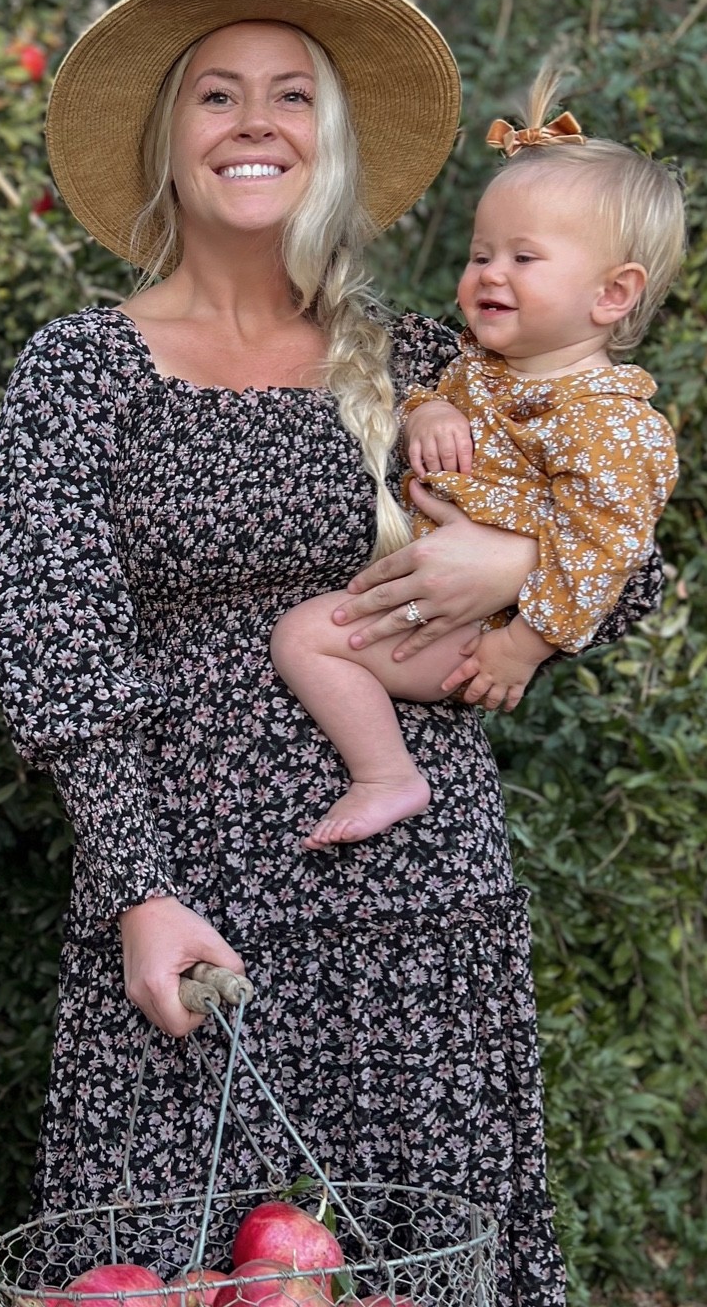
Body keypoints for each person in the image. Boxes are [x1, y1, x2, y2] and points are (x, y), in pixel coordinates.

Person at [0, 0, 662, 1307]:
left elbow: (629, 526)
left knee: (361, 1253)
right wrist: (130, 876)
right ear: (167, 141)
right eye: (219, 89)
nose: (257, 118)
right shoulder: (78, 369)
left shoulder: (424, 351)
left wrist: (506, 579)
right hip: (189, 883)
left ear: (334, 141)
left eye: (294, 91)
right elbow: (54, 643)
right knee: (149, 1268)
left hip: (412, 877)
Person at [270, 68, 685, 846]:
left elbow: (613, 551)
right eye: (480, 254)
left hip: (477, 635)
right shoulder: (476, 370)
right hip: (439, 603)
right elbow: (431, 389)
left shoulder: (611, 424)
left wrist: (522, 645)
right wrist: (426, 406)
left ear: (611, 295)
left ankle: (387, 774)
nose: (489, 273)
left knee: (304, 637)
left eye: (524, 260)